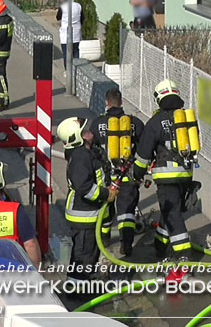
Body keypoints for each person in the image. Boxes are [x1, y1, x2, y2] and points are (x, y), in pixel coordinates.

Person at [133, 80, 194, 258]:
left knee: (173, 214)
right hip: (186, 174)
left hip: (166, 176)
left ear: (159, 98)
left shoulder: (156, 121)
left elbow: (144, 153)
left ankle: (184, 255)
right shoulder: (186, 118)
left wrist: (136, 173)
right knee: (170, 209)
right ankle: (160, 245)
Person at [58, 117, 118, 284]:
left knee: (88, 254)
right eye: (85, 131)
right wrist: (106, 195)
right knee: (83, 256)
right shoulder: (81, 156)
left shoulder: (83, 154)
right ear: (77, 138)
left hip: (88, 214)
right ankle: (77, 289)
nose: (90, 132)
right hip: (83, 214)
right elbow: (84, 187)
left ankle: (83, 284)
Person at [89, 88, 145, 256]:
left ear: (107, 103)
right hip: (128, 175)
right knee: (127, 211)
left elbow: (91, 149)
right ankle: (126, 244)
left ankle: (104, 239)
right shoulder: (135, 123)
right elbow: (144, 148)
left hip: (106, 177)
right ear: (121, 102)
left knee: (105, 208)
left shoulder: (97, 123)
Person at [56, 0, 84, 71]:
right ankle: (76, 70)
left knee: (66, 53)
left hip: (65, 34)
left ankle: (67, 71)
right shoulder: (78, 6)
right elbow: (82, 18)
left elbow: (58, 17)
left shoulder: (63, 7)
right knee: (75, 52)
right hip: (76, 33)